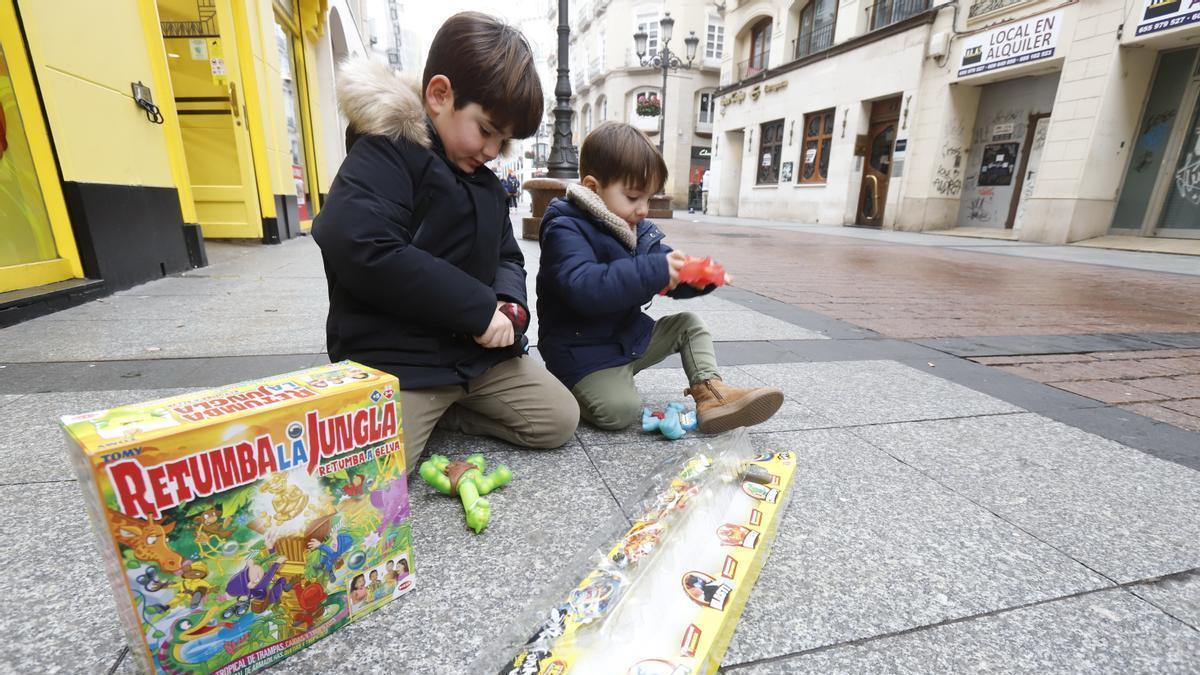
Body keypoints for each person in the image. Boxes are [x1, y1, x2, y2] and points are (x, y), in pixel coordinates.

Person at [312, 12, 579, 466]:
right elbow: (359, 242)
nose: (493, 151)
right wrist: (477, 309)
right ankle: (434, 413)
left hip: (475, 360)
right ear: (439, 95)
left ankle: (451, 413)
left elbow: (507, 257)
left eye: (505, 140)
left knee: (558, 419)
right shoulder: (387, 151)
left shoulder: (488, 185)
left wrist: (508, 306)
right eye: (487, 130)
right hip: (400, 361)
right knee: (379, 468)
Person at [536, 122, 783, 433]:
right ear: (593, 186)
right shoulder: (565, 228)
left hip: (626, 339)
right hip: (580, 354)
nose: (643, 209)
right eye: (633, 197)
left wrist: (698, 277)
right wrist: (655, 270)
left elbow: (663, 275)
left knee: (689, 326)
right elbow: (585, 287)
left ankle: (712, 395)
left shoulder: (634, 229)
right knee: (619, 413)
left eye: (649, 198)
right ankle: (572, 387)